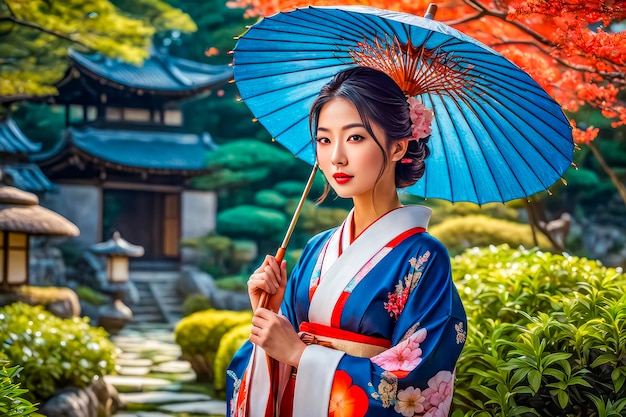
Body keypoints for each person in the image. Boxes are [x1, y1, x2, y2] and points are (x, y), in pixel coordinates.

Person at [227, 66, 467, 417]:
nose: (336, 156)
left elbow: (415, 381)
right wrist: (269, 311)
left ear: (399, 146)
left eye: (355, 137)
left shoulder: (424, 257)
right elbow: (279, 347)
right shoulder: (316, 249)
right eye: (324, 140)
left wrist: (301, 355)